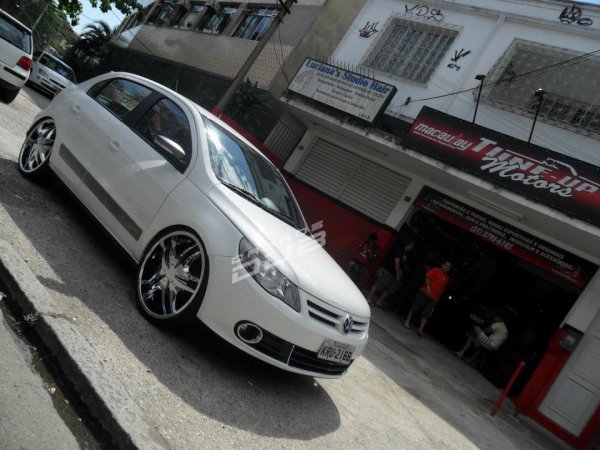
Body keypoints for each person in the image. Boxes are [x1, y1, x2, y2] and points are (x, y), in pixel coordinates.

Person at [404, 260, 452, 336]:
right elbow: (427, 277)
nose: (447, 267)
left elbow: (442, 289)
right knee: (415, 307)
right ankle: (407, 321)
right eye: (446, 265)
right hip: (424, 293)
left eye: (449, 267)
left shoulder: (447, 278)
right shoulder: (436, 270)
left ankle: (420, 329)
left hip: (433, 298)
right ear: (442, 265)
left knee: (427, 313)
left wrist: (437, 298)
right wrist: (428, 288)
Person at [367, 241, 415, 307]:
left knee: (389, 289)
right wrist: (398, 273)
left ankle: (379, 301)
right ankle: (368, 297)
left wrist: (400, 273)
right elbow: (396, 262)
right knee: (378, 284)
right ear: (408, 245)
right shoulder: (400, 250)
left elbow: (402, 264)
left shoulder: (406, 254)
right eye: (412, 246)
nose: (412, 248)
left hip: (394, 274)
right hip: (389, 270)